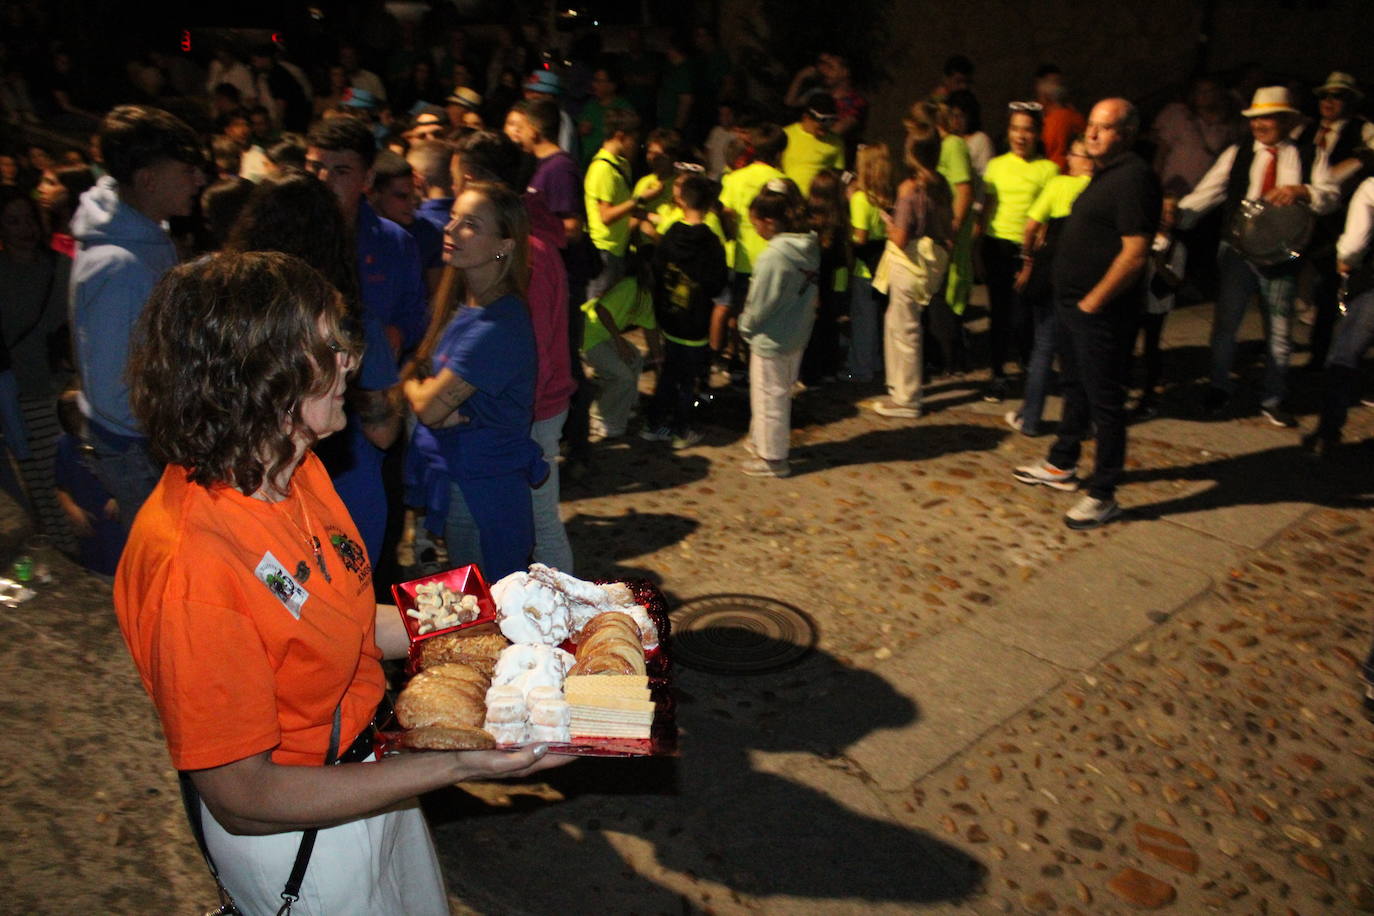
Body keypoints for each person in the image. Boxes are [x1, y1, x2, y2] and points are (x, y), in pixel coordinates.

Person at [115, 250, 569, 915]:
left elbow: (350, 618)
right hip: (298, 832)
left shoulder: (293, 471)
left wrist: (494, 605)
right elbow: (242, 799)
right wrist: (457, 764)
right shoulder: (192, 565)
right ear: (259, 374)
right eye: (330, 348)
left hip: (371, 774)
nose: (352, 365)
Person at [1014, 98, 1161, 529]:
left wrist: (1094, 300)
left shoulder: (1135, 179)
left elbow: (1135, 253)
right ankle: (1062, 463)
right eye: (1090, 127)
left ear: (1127, 134)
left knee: (1105, 401)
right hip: (1071, 305)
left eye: (1104, 127)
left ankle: (1103, 492)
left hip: (1099, 311)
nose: (1091, 134)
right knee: (1074, 385)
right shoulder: (1104, 175)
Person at [70, 105, 205, 539]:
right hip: (138, 449)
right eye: (187, 170)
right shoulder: (118, 264)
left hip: (149, 440)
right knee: (158, 565)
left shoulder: (143, 235)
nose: (198, 180)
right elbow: (114, 389)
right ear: (148, 180)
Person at [404, 182, 549, 580]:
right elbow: (417, 372)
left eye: (470, 224)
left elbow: (428, 407)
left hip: (483, 495)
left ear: (504, 245)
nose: (450, 230)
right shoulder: (464, 305)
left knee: (486, 610)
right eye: (452, 219)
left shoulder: (497, 325)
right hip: (462, 478)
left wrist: (419, 395)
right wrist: (421, 391)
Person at [1176, 86, 1339, 425]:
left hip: (1283, 253)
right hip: (1237, 250)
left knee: (1279, 328)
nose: (1260, 125)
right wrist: (1173, 218)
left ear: (1286, 120)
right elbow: (1208, 193)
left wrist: (1302, 191)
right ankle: (1219, 386)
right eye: (1255, 118)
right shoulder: (1238, 153)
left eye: (1268, 118)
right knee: (1226, 323)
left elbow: (1330, 197)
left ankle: (1274, 397)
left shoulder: (1310, 155)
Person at [0, 188, 75, 551]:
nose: (24, 228)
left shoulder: (61, 267)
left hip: (64, 390)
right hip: (23, 395)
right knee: (42, 482)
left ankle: (84, 551)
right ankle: (63, 550)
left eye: (29, 219)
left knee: (73, 479)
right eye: (13, 221)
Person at [1007, 136, 1094, 436]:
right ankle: (1080, 421)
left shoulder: (1058, 186)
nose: (1069, 158)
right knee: (1080, 352)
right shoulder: (1098, 189)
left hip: (1054, 270)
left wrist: (1027, 259)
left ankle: (1030, 419)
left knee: (1044, 349)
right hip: (1088, 277)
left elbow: (1030, 227)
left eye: (1073, 153)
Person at [738, 178, 819, 478]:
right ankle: (760, 440)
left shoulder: (774, 256)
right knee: (778, 392)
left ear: (769, 222)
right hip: (796, 332)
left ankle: (772, 458)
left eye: (755, 223)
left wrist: (746, 327)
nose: (755, 229)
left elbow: (760, 303)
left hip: (771, 337)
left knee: (768, 395)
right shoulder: (807, 246)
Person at [871, 126, 954, 419]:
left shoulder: (910, 189)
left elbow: (900, 237)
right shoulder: (941, 184)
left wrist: (888, 221)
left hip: (908, 264)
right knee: (903, 326)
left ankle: (906, 397)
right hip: (928, 264)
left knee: (904, 331)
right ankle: (900, 390)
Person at [641, 173, 729, 448]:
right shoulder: (711, 242)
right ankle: (682, 429)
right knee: (688, 380)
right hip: (696, 321)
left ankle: (654, 423)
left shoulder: (670, 235)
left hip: (671, 318)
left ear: (681, 200)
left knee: (669, 373)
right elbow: (717, 284)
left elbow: (656, 270)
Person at [979, 102, 1059, 401]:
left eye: (1027, 129)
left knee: (1025, 315)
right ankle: (998, 374)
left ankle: (1030, 367)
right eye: (1015, 129)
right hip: (997, 244)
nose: (1020, 135)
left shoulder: (1048, 169)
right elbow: (988, 207)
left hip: (1030, 250)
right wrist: (977, 245)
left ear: (1038, 134)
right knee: (1000, 313)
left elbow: (1050, 216)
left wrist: (1038, 251)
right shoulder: (996, 165)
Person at [1295, 71, 1374, 370]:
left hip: (1339, 223)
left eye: (1337, 96)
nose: (1329, 101)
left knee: (1329, 289)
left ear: (1351, 101)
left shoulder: (1363, 129)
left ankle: (1321, 355)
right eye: (1324, 95)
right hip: (1303, 219)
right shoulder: (1305, 129)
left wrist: (1356, 162)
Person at [1302, 174, 1374, 455]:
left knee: (1344, 358)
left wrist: (1344, 261)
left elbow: (1355, 241)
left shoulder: (1370, 187)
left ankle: (1328, 432)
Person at [718, 123, 788, 376]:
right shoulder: (783, 183)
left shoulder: (735, 179)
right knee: (770, 314)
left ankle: (738, 360)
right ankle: (761, 364)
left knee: (740, 312)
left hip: (742, 259)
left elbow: (726, 216)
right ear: (780, 152)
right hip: (775, 261)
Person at [584, 107, 652, 300]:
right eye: (634, 140)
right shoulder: (602, 169)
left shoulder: (622, 165)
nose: (636, 146)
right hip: (604, 250)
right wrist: (640, 199)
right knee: (596, 308)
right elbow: (606, 216)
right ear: (620, 136)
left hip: (618, 247)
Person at [846, 143, 893, 383]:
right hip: (884, 267)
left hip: (865, 269)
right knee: (877, 319)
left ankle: (859, 368)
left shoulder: (860, 199)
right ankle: (875, 361)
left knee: (863, 320)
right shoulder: (886, 197)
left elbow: (860, 238)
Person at [780, 93, 845, 197]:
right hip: (788, 198)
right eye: (820, 127)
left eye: (829, 125)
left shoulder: (836, 142)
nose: (823, 132)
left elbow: (837, 174)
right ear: (806, 117)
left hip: (817, 201)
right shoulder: (785, 135)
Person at [1034, 65, 1086, 172]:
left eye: (1058, 83)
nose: (1057, 86)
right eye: (1052, 82)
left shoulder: (1065, 118)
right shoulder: (1034, 115)